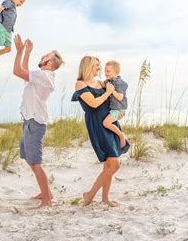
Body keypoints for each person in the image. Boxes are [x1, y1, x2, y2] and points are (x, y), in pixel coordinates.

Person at [13, 34, 64, 208]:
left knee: (35, 161)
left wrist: (19, 51)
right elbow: (24, 73)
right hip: (29, 121)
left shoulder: (45, 76)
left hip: (35, 123)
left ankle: (47, 199)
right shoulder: (42, 75)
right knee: (28, 157)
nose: (43, 56)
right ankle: (46, 192)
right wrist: (27, 52)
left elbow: (18, 71)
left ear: (49, 63)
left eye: (46, 56)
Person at [71, 56, 129, 207]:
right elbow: (94, 104)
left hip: (109, 120)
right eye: (96, 65)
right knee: (115, 165)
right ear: (88, 66)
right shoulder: (80, 84)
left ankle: (105, 198)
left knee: (109, 165)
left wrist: (119, 112)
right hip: (97, 124)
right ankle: (89, 195)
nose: (99, 68)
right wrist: (108, 92)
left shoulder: (101, 83)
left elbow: (116, 98)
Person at [101, 60, 129, 148]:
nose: (105, 73)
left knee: (106, 123)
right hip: (114, 109)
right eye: (105, 71)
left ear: (116, 72)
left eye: (108, 71)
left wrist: (111, 91)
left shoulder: (120, 83)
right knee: (107, 123)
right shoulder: (109, 81)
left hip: (119, 110)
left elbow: (120, 97)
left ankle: (121, 135)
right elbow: (102, 84)